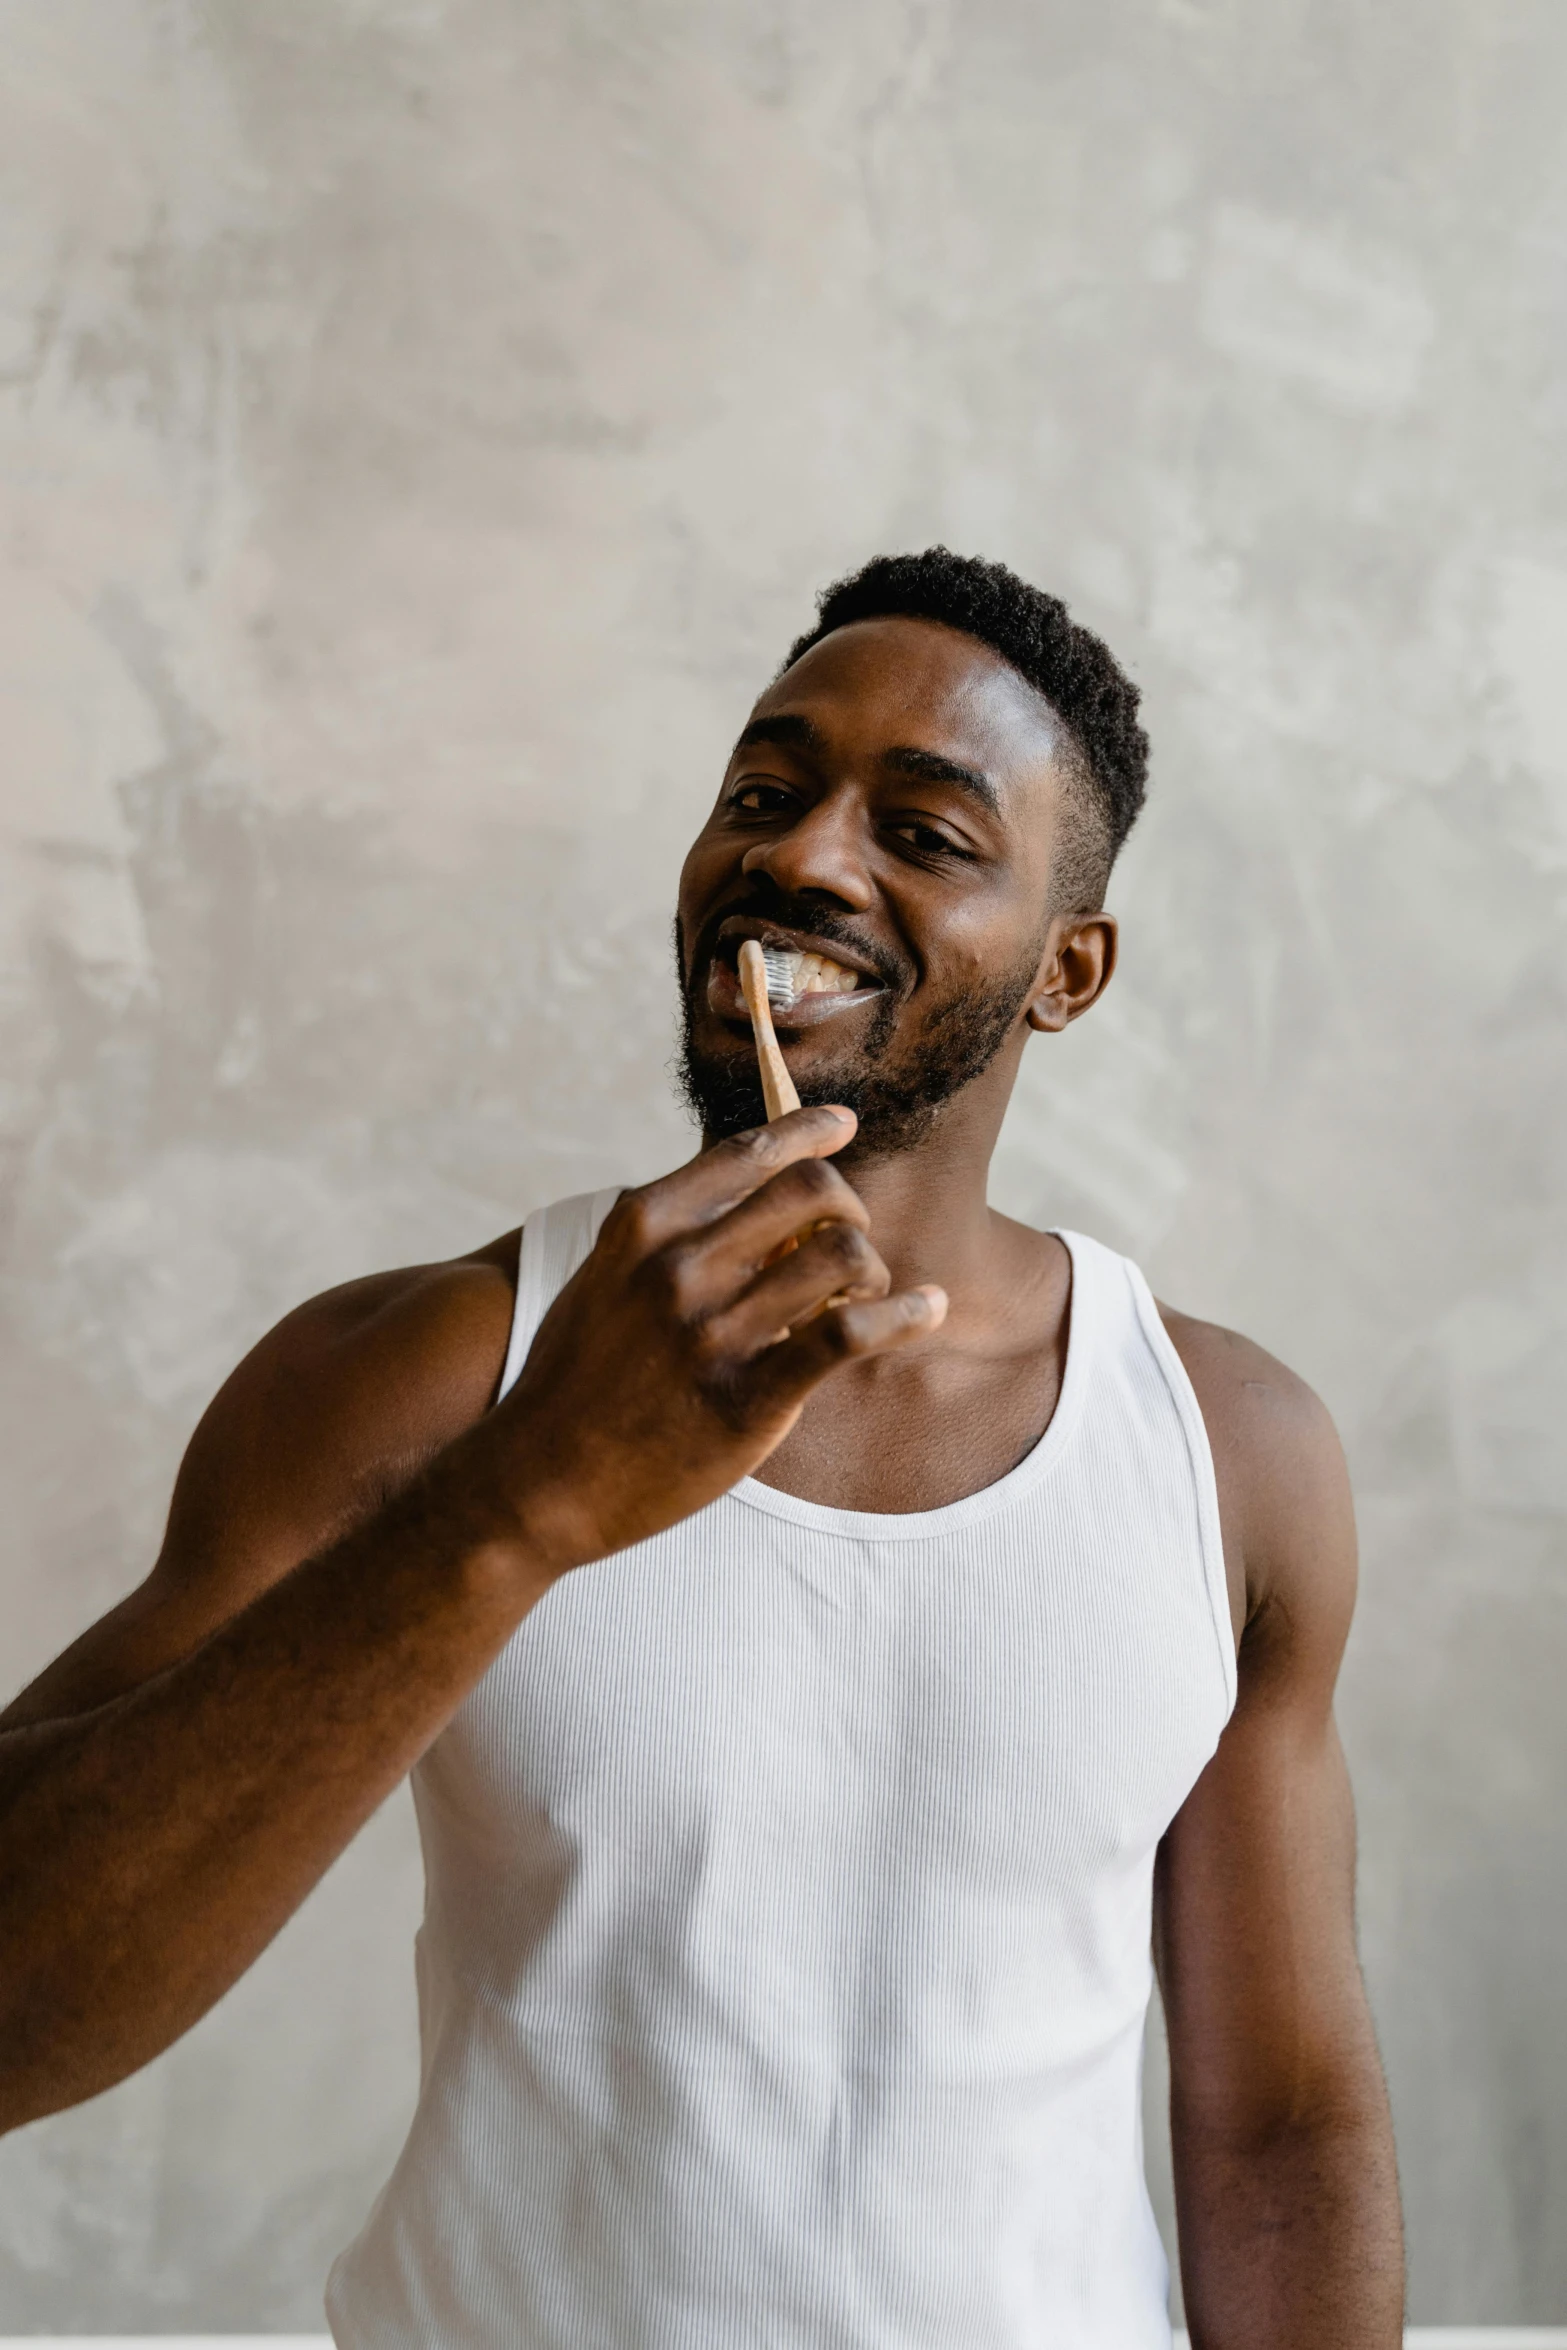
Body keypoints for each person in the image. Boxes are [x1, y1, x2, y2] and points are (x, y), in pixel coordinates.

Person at [0, 549, 1402, 2347]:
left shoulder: (1232, 1453)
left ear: (1068, 970)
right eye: (764, 789)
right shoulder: (420, 1374)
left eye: (924, 828)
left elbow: (1280, 2132)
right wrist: (524, 1499)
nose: (804, 857)